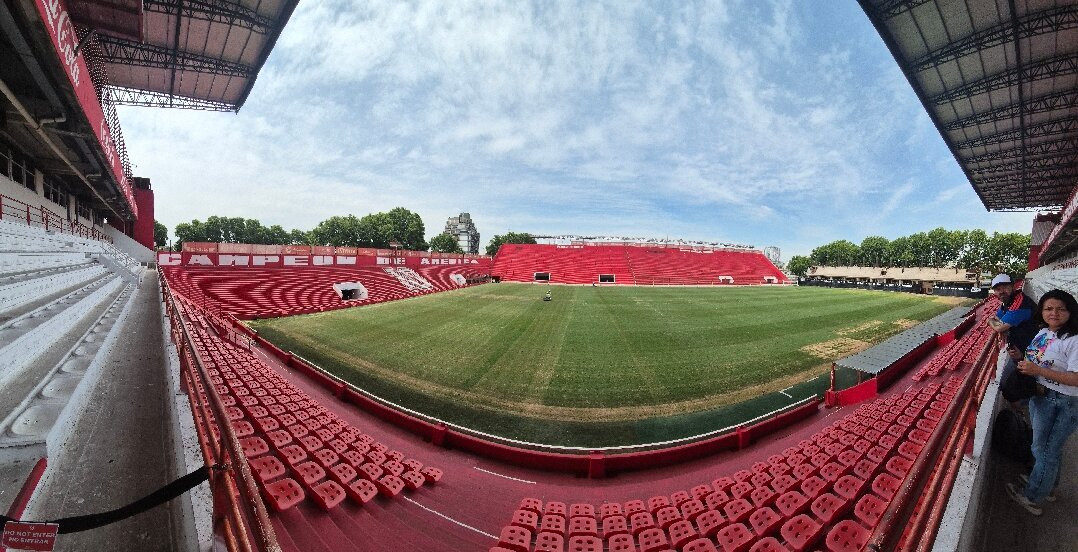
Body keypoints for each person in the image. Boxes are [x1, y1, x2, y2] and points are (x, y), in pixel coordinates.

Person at [1005, 289, 1078, 515]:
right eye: (1048, 308)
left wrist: (1036, 369)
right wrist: (1020, 357)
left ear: (1070, 311)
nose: (1053, 313)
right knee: (1047, 449)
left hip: (1062, 401)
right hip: (1041, 396)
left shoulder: (1074, 339)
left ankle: (1033, 496)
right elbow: (1036, 358)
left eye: (1060, 309)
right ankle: (1046, 486)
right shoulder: (1045, 332)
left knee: (1044, 450)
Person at [989, 274, 1037, 384]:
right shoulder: (1008, 302)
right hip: (1020, 351)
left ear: (1013, 287)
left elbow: (999, 327)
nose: (1001, 292)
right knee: (1014, 387)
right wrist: (994, 321)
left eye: (1005, 287)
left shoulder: (1020, 303)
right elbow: (997, 318)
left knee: (1010, 386)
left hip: (1033, 354)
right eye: (998, 289)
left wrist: (989, 321)